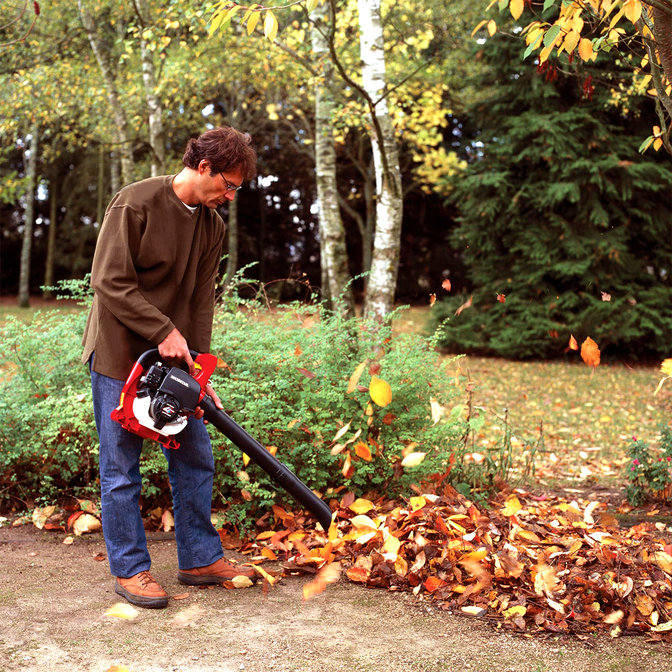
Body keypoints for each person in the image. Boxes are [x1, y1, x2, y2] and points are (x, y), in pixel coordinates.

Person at [82, 126, 258, 609]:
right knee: (121, 468)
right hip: (120, 352)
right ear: (204, 168)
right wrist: (163, 332)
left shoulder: (211, 225)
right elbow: (109, 281)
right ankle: (131, 568)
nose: (230, 195)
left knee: (195, 455)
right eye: (229, 184)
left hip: (173, 359)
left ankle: (199, 558)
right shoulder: (134, 203)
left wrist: (198, 372)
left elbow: (201, 303)